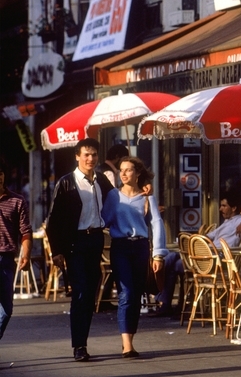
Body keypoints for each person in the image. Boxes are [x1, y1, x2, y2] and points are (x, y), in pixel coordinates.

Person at [46, 138, 116, 362]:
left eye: (94, 154)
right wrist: (56, 250)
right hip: (75, 242)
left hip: (94, 240)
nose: (90, 159)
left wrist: (143, 188)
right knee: (81, 292)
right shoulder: (67, 182)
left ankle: (82, 341)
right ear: (77, 156)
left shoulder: (101, 180)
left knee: (90, 293)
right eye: (86, 154)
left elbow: (118, 197)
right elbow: (53, 220)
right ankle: (79, 345)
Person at [101, 157, 161, 358]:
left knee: (136, 295)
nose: (124, 174)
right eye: (121, 170)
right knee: (126, 293)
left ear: (138, 173)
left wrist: (159, 254)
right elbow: (104, 220)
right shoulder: (113, 196)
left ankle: (130, 340)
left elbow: (157, 224)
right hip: (121, 247)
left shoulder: (147, 196)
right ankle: (126, 344)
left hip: (141, 247)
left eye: (128, 170)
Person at [0, 157, 31, 355]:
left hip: (6, 259)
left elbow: (25, 231)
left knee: (6, 310)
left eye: (0, 172)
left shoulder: (17, 200)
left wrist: (26, 254)